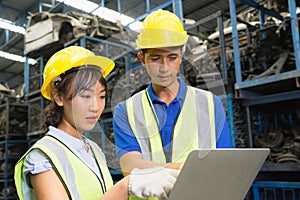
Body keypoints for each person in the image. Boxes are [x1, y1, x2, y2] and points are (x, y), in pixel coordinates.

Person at [14, 46, 179, 200]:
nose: (96, 107)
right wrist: (125, 187)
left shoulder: (93, 150)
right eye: (86, 96)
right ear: (59, 97)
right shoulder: (42, 157)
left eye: (101, 96)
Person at [113, 9, 232, 175]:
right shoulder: (126, 111)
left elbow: (224, 162)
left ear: (181, 56)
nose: (164, 67)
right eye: (155, 58)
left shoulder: (210, 104)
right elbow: (129, 165)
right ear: (142, 59)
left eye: (172, 57)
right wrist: (181, 169)